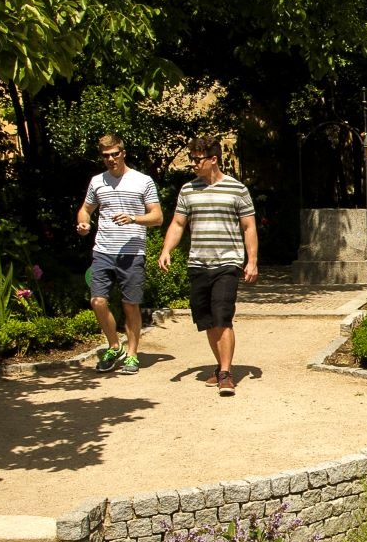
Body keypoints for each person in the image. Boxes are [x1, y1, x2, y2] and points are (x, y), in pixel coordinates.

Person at [158, 136, 257, 394]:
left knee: (222, 315)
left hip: (228, 262)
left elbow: (249, 227)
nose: (193, 163)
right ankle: (219, 365)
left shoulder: (237, 189)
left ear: (214, 159)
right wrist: (166, 250)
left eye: (197, 159)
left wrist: (252, 261)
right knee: (207, 319)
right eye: (191, 158)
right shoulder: (188, 190)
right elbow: (178, 224)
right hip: (198, 263)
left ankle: (226, 372)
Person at [77, 133, 161, 374]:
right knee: (98, 301)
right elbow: (85, 210)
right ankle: (115, 346)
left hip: (132, 252)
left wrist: (134, 218)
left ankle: (132, 355)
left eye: (115, 154)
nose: (111, 159)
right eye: (106, 156)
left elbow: (157, 217)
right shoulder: (97, 182)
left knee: (130, 305)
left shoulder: (142, 181)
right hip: (103, 250)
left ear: (123, 153)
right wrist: (84, 224)